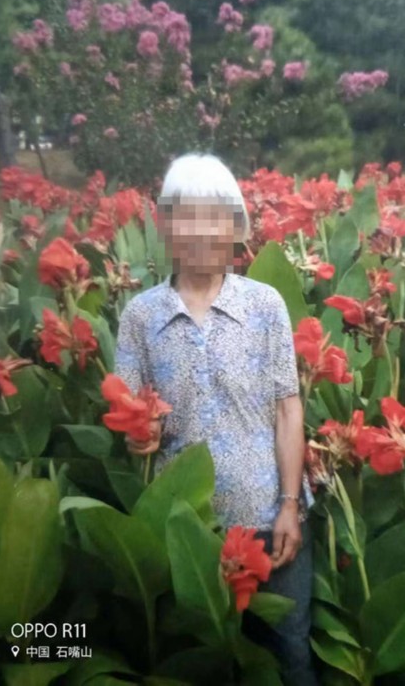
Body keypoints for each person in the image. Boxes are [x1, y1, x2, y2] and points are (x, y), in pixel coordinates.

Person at [113, 153, 319, 685]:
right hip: (189, 528)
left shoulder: (265, 305)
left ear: (234, 229)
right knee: (204, 661)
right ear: (166, 227)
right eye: (186, 217)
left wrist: (290, 505)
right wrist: (139, 437)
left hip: (268, 516)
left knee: (288, 653)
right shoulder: (140, 316)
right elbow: (127, 408)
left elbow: (287, 407)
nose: (201, 232)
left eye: (215, 218)